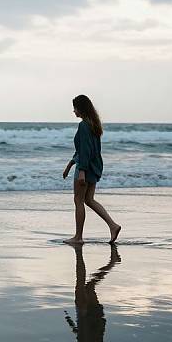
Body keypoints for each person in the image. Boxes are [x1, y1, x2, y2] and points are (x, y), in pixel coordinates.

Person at [62, 95, 121, 244]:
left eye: (75, 107)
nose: (73, 111)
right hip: (94, 167)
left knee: (78, 201)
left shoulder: (83, 125)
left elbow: (85, 150)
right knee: (89, 200)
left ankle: (78, 237)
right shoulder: (94, 124)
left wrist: (81, 170)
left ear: (81, 108)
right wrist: (70, 165)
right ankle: (113, 225)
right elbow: (86, 149)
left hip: (85, 168)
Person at [64, 244, 121, 342]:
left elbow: (83, 333)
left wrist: (72, 324)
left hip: (92, 315)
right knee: (85, 284)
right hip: (87, 314)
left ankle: (112, 262)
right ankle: (111, 262)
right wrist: (82, 314)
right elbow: (89, 332)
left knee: (89, 286)